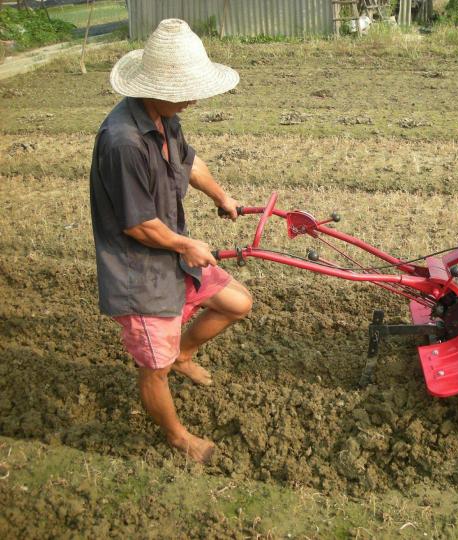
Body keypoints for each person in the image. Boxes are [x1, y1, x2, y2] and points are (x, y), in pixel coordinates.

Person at [89, 19, 252, 463]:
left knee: (237, 302)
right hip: (138, 271)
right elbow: (138, 226)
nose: (195, 98)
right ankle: (179, 438)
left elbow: (188, 163)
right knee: (152, 369)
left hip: (171, 256)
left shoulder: (165, 117)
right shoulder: (122, 141)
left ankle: (184, 353)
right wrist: (185, 244)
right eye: (186, 88)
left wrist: (222, 196)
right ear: (156, 86)